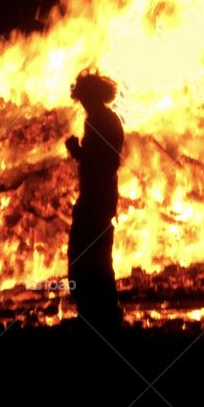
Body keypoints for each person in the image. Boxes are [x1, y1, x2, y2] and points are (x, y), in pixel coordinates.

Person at [66, 70, 125, 328]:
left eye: (83, 99)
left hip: (96, 200)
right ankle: (102, 313)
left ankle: (97, 315)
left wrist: (76, 151)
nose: (82, 104)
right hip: (101, 198)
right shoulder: (108, 119)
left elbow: (101, 162)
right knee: (97, 256)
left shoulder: (99, 122)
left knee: (85, 256)